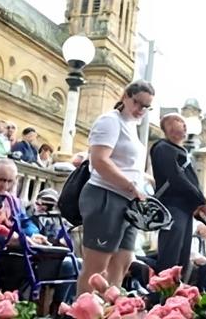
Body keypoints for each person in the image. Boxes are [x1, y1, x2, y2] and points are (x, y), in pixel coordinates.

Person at [76, 80, 154, 294]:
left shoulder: (130, 125)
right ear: (125, 96)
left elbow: (124, 162)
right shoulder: (110, 121)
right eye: (138, 103)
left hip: (129, 201)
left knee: (123, 260)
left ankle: (110, 311)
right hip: (106, 195)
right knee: (96, 268)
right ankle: (83, 311)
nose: (141, 110)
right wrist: (130, 185)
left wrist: (142, 180)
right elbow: (100, 160)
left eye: (147, 107)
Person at [151, 113, 206, 273]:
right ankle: (162, 292)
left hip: (185, 208)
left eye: (184, 122)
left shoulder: (182, 151)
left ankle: (177, 292)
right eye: (178, 121)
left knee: (182, 254)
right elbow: (176, 177)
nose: (183, 125)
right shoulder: (163, 148)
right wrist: (200, 199)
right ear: (167, 127)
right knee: (170, 254)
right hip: (172, 207)